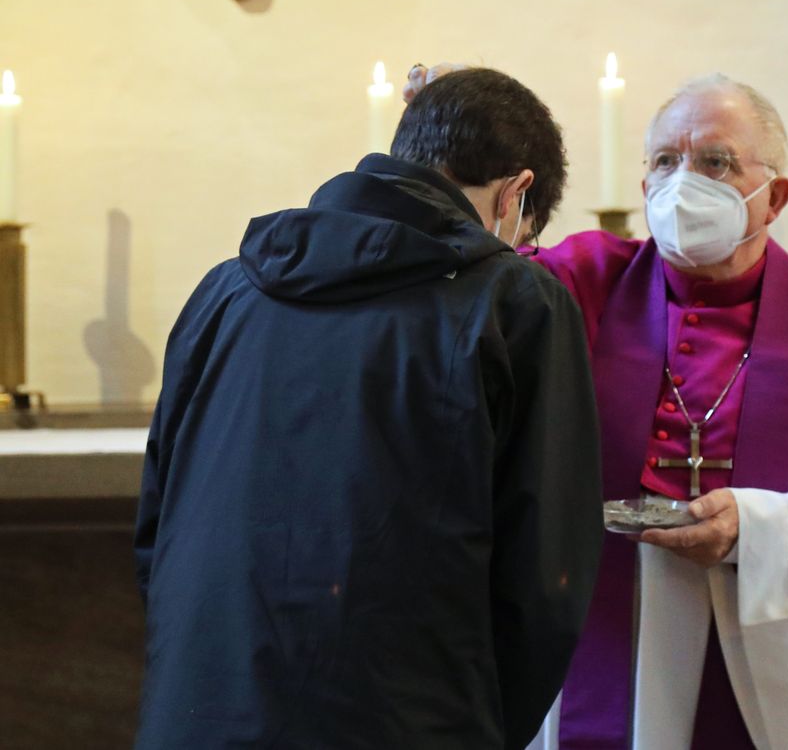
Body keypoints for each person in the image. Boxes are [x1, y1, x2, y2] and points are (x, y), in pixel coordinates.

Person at [405, 66, 788, 749]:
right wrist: (453, 152)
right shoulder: (578, 285)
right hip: (591, 660)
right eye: (666, 161)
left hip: (753, 691)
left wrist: (757, 529)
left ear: (773, 196)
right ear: (643, 188)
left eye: (715, 161)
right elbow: (465, 294)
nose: (683, 181)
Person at [133, 68, 603, 750]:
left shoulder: (224, 291)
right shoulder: (513, 300)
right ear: (515, 194)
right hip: (409, 723)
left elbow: (157, 524)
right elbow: (543, 583)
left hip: (198, 714)